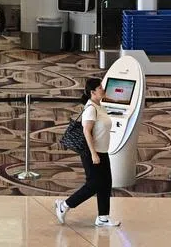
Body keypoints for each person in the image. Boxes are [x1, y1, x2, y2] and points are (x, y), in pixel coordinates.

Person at [55, 77, 119, 228]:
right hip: (92, 153)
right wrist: (93, 153)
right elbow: (86, 131)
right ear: (92, 92)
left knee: (106, 184)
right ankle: (64, 205)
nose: (103, 89)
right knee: (93, 184)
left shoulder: (99, 106)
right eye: (100, 88)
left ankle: (103, 217)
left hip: (102, 151)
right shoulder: (90, 108)